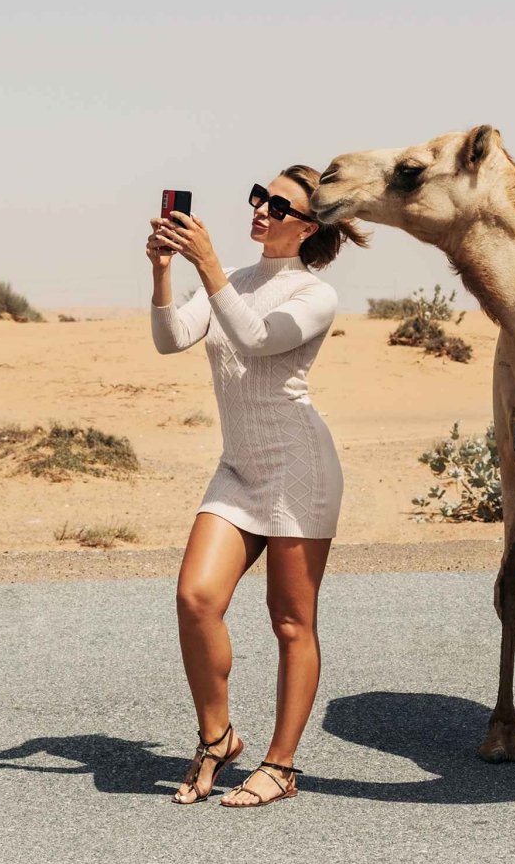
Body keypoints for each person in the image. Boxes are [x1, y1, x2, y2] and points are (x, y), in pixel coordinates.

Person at [147, 165, 369, 807]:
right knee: (195, 598)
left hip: (298, 467)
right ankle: (218, 738)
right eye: (259, 196)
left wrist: (209, 266)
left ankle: (282, 764)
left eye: (279, 205)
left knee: (292, 621)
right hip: (238, 468)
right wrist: (165, 269)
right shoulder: (236, 282)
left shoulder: (313, 294)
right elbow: (170, 338)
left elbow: (253, 336)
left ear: (308, 226)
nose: (262, 210)